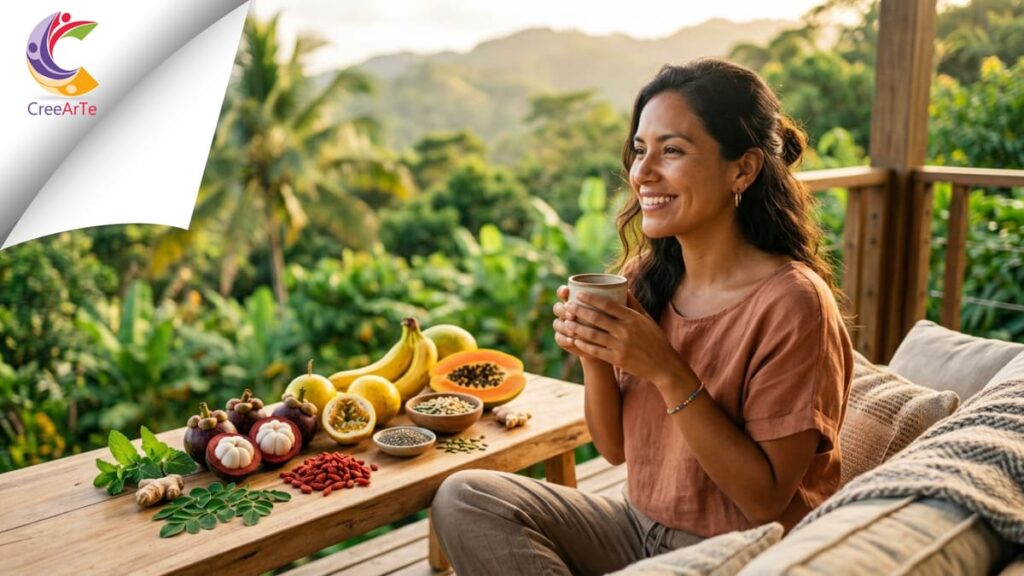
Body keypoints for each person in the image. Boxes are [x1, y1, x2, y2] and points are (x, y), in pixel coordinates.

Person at [431, 57, 854, 575]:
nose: (641, 173)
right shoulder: (646, 279)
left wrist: (665, 368)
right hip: (637, 527)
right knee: (465, 496)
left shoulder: (792, 303)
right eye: (638, 151)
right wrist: (595, 355)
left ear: (742, 168)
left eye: (671, 151)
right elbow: (613, 450)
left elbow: (765, 500)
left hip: (739, 554)